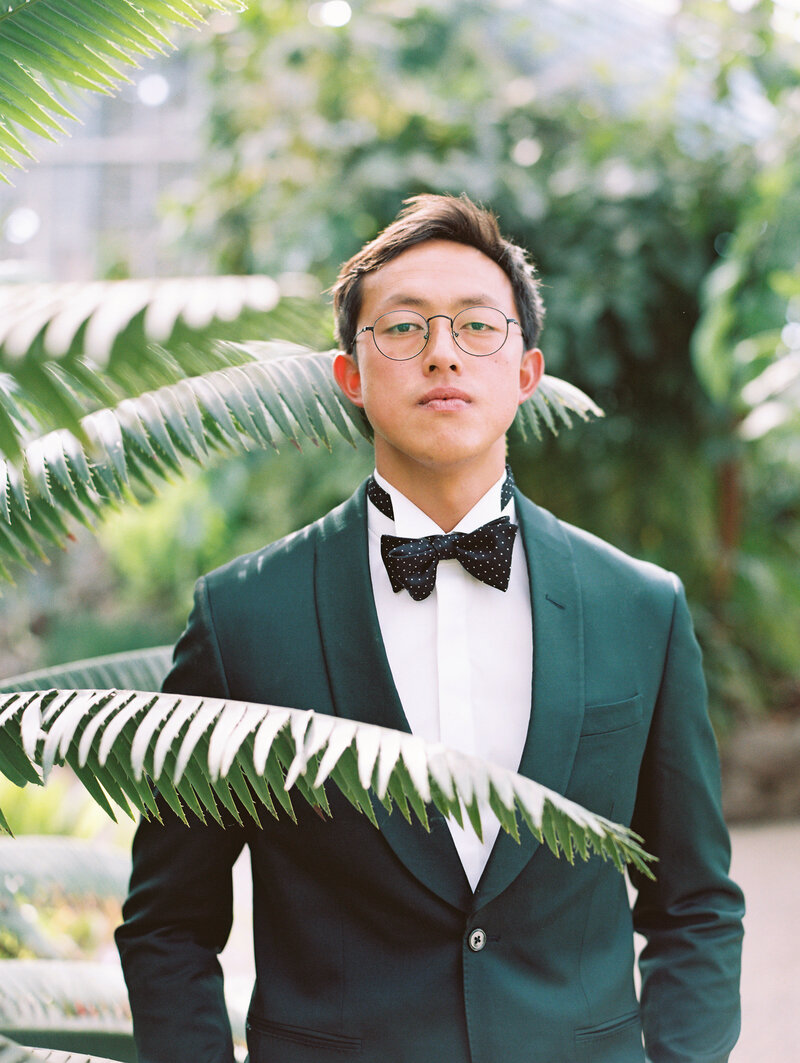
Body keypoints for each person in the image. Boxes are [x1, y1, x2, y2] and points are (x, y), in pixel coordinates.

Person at [115, 194, 744, 1063]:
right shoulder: (241, 618)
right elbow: (168, 924)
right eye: (404, 329)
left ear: (525, 371)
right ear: (351, 377)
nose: (442, 353)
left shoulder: (641, 606)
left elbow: (696, 903)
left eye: (477, 326)